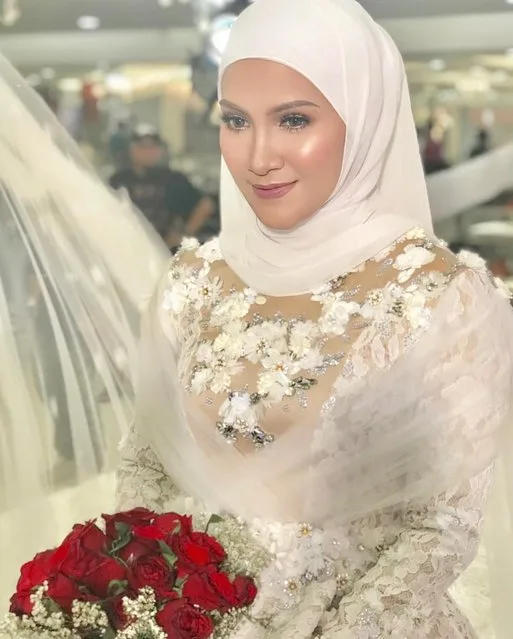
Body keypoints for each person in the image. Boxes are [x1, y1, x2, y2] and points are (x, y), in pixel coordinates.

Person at [0, 1, 513, 636]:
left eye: (294, 119)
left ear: (364, 120)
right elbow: (147, 465)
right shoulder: (192, 284)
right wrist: (151, 603)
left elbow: (439, 526)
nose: (258, 156)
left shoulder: (440, 297)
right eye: (236, 120)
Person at [109, 126, 215, 250]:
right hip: (127, 248)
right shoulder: (119, 180)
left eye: (152, 147)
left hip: (165, 250)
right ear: (131, 149)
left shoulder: (173, 179)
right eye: (142, 147)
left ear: (159, 150)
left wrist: (185, 233)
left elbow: (206, 205)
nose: (147, 152)